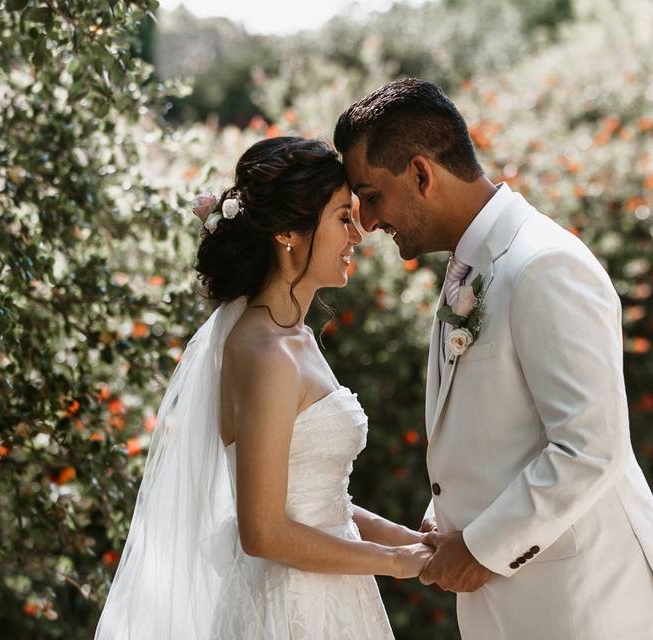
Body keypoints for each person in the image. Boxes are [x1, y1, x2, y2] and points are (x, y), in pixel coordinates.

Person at [335, 78, 653, 640]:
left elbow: (590, 444)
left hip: (588, 608)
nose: (368, 219)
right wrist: (451, 522)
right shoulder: (471, 269)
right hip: (522, 607)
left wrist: (480, 548)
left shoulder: (543, 264)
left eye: (372, 194)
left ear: (421, 174)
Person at [95, 137, 432, 639]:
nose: (358, 235)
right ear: (287, 234)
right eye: (343, 218)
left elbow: (319, 503)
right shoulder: (265, 353)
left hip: (333, 596)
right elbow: (263, 530)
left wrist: (410, 544)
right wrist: (392, 562)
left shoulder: (293, 336)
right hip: (285, 609)